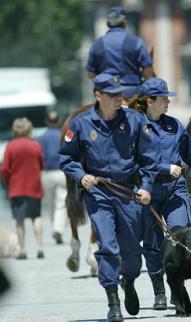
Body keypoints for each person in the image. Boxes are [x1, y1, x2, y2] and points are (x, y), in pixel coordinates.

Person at [59, 73, 159, 321]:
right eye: (113, 95)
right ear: (98, 96)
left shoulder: (135, 120)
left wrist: (146, 186)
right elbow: (66, 158)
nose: (119, 98)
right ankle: (113, 302)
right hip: (98, 194)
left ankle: (130, 281)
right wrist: (81, 176)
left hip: (128, 193)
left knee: (133, 253)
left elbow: (149, 159)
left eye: (120, 94)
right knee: (107, 247)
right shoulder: (81, 125)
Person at [132, 77, 191, 310]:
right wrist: (162, 168)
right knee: (151, 244)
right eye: (163, 99)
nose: (168, 102)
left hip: (175, 190)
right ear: (149, 100)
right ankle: (159, 290)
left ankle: (176, 290)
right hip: (146, 190)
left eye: (168, 98)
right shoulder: (134, 126)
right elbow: (130, 162)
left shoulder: (174, 125)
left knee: (179, 238)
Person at [86, 6, 155, 100]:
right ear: (125, 22)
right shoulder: (137, 42)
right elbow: (148, 70)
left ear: (108, 23)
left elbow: (90, 74)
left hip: (105, 94)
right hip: (131, 94)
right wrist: (143, 77)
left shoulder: (96, 45)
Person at [1, 117, 44, 259]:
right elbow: (41, 165)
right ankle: (40, 247)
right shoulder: (35, 145)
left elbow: (4, 168)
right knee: (36, 217)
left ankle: (23, 249)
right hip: (34, 187)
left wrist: (9, 183)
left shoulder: (11, 146)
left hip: (16, 188)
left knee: (19, 220)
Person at [37, 111, 68, 245]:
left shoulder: (40, 138)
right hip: (61, 172)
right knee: (61, 202)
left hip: (46, 173)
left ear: (46, 121)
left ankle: (56, 229)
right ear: (59, 121)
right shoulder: (64, 135)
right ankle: (58, 229)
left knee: (50, 204)